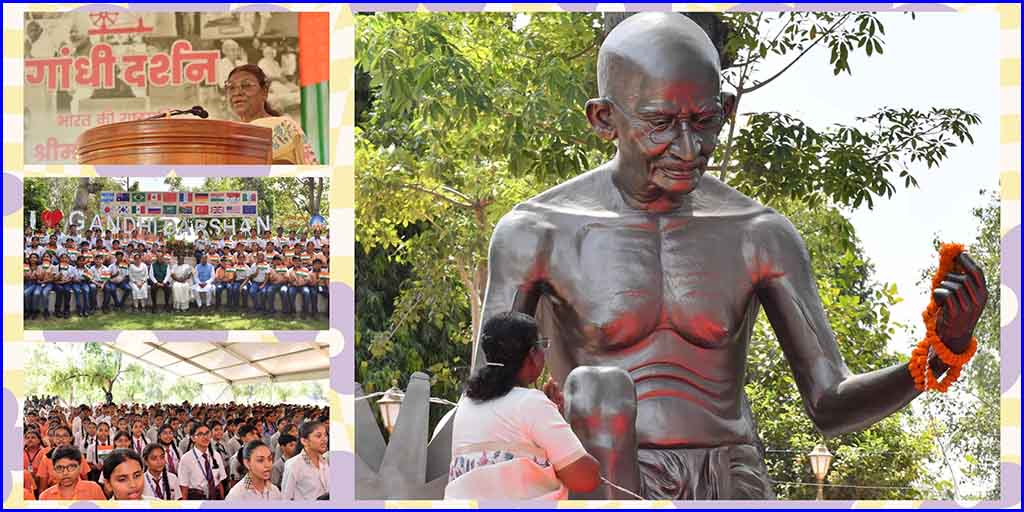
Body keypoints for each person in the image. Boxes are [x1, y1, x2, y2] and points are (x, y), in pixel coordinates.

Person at [476, 12, 990, 500]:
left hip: (729, 480)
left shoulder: (757, 234)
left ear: (725, 110)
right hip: (602, 481)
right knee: (596, 390)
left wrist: (941, 349)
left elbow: (830, 405)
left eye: (704, 121)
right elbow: (486, 399)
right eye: (660, 123)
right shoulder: (538, 232)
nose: (687, 147)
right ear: (603, 118)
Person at [444, 312, 599, 500]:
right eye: (542, 345)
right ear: (532, 354)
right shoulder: (531, 403)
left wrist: (553, 414)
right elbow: (585, 478)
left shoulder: (466, 403)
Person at [224, 64, 319, 164]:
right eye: (231, 87)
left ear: (264, 92)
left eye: (246, 85)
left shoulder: (285, 126)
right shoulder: (229, 135)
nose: (237, 92)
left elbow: (311, 169)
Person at [280, 420, 328, 500]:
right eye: (318, 436)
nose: (324, 439)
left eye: (325, 435)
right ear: (304, 441)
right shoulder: (294, 465)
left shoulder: (325, 461)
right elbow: (286, 498)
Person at [177, 422, 227, 500]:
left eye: (207, 433)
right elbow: (184, 487)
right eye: (200, 434)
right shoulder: (186, 459)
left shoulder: (216, 455)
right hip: (197, 499)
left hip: (215, 497)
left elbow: (219, 482)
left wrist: (222, 500)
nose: (205, 437)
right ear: (193, 438)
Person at [38, 445, 106, 500]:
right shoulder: (45, 497)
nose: (65, 473)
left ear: (80, 468)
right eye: (59, 468)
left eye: (71, 467)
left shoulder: (93, 489)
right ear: (54, 470)